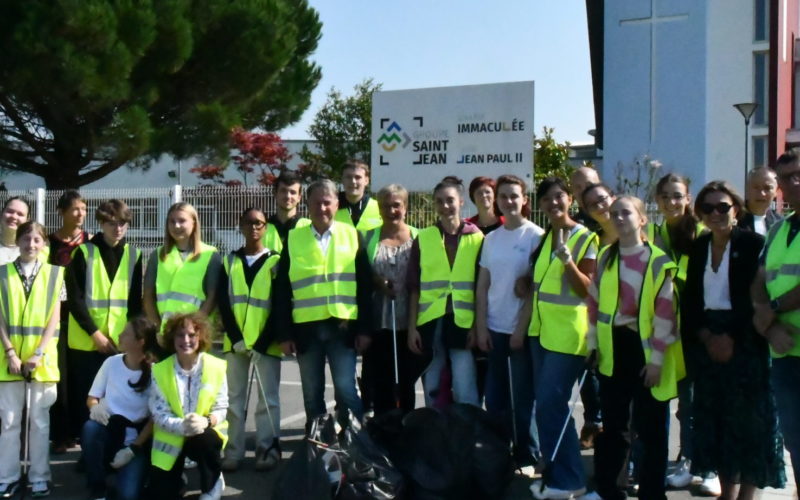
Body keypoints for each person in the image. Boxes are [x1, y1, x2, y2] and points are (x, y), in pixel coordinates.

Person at [682, 181, 785, 500]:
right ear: (700, 214)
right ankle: (727, 493)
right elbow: (690, 302)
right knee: (717, 422)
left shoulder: (754, 244)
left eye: (723, 207)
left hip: (747, 341)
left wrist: (733, 339)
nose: (716, 213)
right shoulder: (698, 247)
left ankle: (747, 496)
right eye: (708, 208)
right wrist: (707, 336)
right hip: (708, 341)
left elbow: (757, 298)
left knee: (750, 424)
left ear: (735, 209)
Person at [583, 196, 683, 500]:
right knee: (614, 427)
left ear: (642, 219)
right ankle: (610, 489)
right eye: (614, 214)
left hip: (646, 351)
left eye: (626, 212)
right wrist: (593, 344)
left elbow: (666, 312)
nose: (618, 218)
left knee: (650, 430)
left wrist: (655, 360)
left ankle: (652, 493)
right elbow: (594, 304)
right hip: (613, 349)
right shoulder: (605, 257)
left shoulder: (657, 261)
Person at [271, 179, 373, 429]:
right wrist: (284, 333)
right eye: (316, 203)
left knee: (347, 390)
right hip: (306, 330)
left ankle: (357, 447)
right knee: (312, 395)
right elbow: (282, 290)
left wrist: (364, 330)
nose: (322, 208)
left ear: (337, 204)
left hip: (343, 327)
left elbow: (365, 286)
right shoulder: (294, 239)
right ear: (307, 205)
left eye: (327, 202)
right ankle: (317, 450)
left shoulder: (352, 235)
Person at [525, 177, 598, 500]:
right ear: (540, 205)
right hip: (542, 333)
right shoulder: (545, 239)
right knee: (546, 407)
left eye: (559, 197)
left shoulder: (585, 237)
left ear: (570, 199)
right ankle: (557, 474)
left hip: (570, 336)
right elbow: (541, 284)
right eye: (547, 199)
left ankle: (570, 480)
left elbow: (586, 289)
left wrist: (567, 260)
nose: (554, 204)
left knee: (552, 405)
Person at [650, 173, 717, 494]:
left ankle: (707, 465)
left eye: (677, 196)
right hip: (664, 330)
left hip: (697, 331)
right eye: (665, 196)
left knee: (699, 401)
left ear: (688, 198)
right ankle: (686, 460)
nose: (671, 202)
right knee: (675, 403)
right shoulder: (653, 234)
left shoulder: (703, 234)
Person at [476, 175, 544, 466]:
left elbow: (534, 289)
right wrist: (481, 327)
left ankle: (528, 454)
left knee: (522, 398)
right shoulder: (491, 239)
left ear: (524, 199)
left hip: (521, 331)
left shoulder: (536, 236)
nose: (509, 201)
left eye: (514, 196)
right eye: (503, 196)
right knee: (495, 397)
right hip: (494, 328)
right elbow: (482, 286)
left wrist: (520, 329)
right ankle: (500, 451)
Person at [66, 200, 143, 444]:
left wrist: (129, 339)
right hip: (88, 342)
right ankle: (86, 451)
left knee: (116, 396)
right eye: (111, 223)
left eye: (122, 223)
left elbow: (134, 304)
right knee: (87, 397)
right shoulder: (84, 252)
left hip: (120, 342)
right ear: (101, 223)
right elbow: (75, 300)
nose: (117, 228)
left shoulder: (134, 254)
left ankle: (111, 446)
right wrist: (96, 334)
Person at [407, 176, 484, 407]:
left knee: (464, 385)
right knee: (432, 385)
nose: (445, 206)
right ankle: (437, 433)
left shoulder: (477, 238)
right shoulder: (424, 238)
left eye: (450, 200)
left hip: (463, 321)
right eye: (439, 201)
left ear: (461, 202)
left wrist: (476, 326)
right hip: (431, 321)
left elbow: (482, 288)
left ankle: (467, 435)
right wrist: (412, 328)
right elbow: (414, 288)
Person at [0, 221, 64, 498]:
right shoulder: (1, 274)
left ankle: (39, 476)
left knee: (39, 421)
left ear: (43, 244)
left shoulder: (55, 274)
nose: (31, 245)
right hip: (8, 360)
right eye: (26, 239)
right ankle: (8, 476)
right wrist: (10, 352)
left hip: (43, 360)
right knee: (10, 421)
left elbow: (54, 318)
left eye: (37, 240)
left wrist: (38, 353)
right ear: (19, 242)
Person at [218, 208, 282, 472]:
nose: (254, 227)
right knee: (234, 400)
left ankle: (267, 450)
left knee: (268, 400)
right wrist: (236, 338)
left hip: (267, 344)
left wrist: (263, 341)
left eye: (259, 223)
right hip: (236, 344)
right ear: (240, 226)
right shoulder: (229, 261)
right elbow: (223, 302)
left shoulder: (276, 261)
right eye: (248, 223)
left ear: (266, 227)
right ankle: (233, 451)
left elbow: (279, 305)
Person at [752, 149, 800, 495]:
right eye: (786, 177)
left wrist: (774, 308)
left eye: (799, 174)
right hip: (784, 352)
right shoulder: (779, 228)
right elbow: (758, 280)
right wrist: (768, 324)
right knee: (795, 441)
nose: (793, 182)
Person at [149, 312, 228, 500]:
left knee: (206, 441)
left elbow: (221, 407)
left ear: (200, 337)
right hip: (172, 437)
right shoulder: (159, 370)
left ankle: (213, 483)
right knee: (162, 494)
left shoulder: (216, 367)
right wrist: (183, 426)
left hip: (203, 434)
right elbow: (159, 413)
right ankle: (178, 478)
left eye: (192, 335)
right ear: (172, 338)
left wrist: (205, 421)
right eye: (179, 335)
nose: (186, 340)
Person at [81, 317, 157, 500]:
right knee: (90, 429)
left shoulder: (156, 372)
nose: (119, 336)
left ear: (141, 342)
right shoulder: (111, 363)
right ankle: (97, 486)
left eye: (126, 333)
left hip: (135, 441)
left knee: (128, 495)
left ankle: (135, 473)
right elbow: (92, 398)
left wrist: (133, 449)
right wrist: (95, 408)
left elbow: (156, 418)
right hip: (110, 430)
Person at [362, 184, 418, 415]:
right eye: (385, 205)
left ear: (405, 207)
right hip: (378, 322)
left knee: (406, 379)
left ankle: (407, 426)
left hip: (410, 321)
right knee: (380, 379)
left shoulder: (419, 237)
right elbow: (361, 275)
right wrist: (376, 280)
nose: (390, 210)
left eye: (396, 205)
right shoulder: (368, 237)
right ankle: (383, 428)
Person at [48, 190, 90, 452]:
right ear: (61, 212)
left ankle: (80, 432)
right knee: (60, 378)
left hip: (83, 319)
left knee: (80, 378)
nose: (80, 214)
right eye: (75, 209)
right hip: (57, 318)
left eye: (84, 209)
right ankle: (60, 435)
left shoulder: (91, 243)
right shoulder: (49, 244)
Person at [575, 181, 615, 449]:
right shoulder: (596, 240)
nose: (600, 207)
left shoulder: (642, 234)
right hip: (603, 327)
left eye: (603, 199)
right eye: (593, 205)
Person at [143, 202, 221, 332]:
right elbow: (148, 296)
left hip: (195, 334)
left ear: (194, 223)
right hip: (165, 333)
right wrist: (157, 329)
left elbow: (212, 298)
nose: (176, 226)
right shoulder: (157, 255)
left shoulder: (210, 255)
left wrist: (193, 328)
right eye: (171, 222)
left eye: (182, 221)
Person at [263, 170, 310, 253]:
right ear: (275, 193)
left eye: (293, 192)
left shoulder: (309, 227)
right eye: (283, 191)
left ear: (299, 197)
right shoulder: (262, 229)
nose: (288, 196)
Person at [335, 160, 382, 233]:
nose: (353, 181)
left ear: (366, 180)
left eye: (358, 177)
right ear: (342, 180)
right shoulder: (331, 206)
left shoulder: (379, 207)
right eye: (348, 177)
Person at [740, 167, 781, 236]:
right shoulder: (734, 221)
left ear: (776, 191)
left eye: (767, 188)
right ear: (747, 189)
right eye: (756, 187)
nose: (762, 193)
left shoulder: (780, 224)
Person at [570, 166, 602, 233]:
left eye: (589, 185)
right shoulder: (572, 228)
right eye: (578, 187)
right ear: (573, 192)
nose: (583, 191)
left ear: (600, 186)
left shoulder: (616, 219)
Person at [0, 197, 29, 266]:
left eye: (20, 214)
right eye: (10, 211)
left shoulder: (32, 248)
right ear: (1, 214)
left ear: (27, 220)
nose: (14, 216)